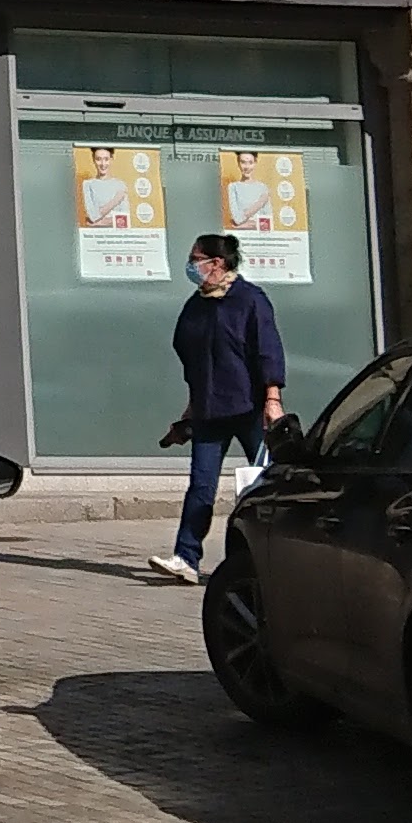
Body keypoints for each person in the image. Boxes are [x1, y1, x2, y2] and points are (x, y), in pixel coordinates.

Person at [156, 231, 283, 585]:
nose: (190, 265)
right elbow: (190, 357)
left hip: (249, 408)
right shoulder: (195, 306)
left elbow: (268, 350)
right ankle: (186, 557)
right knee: (201, 485)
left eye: (196, 259)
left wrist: (272, 398)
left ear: (217, 263)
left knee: (267, 484)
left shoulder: (250, 300)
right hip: (209, 410)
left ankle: (275, 558)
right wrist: (191, 408)